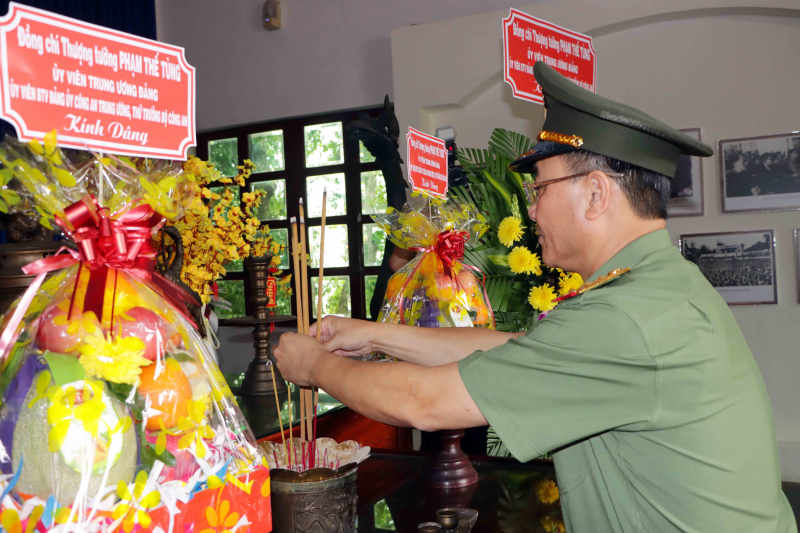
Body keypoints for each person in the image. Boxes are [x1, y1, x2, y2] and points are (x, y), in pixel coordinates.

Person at [274, 62, 796, 532]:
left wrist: (315, 364)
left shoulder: (626, 316)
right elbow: (512, 348)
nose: (532, 211)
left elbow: (424, 403)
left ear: (596, 193)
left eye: (539, 188)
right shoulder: (658, 287)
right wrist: (376, 334)